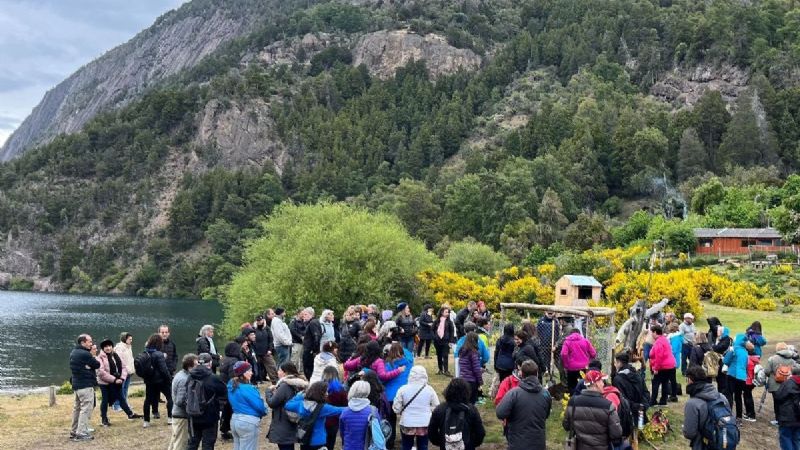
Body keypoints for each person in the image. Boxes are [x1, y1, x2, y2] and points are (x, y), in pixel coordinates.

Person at [496, 360, 551, 450]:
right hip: (538, 443)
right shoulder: (546, 394)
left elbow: (500, 413)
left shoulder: (513, 394)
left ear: (521, 374)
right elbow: (546, 414)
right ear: (537, 373)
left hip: (517, 443)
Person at [563, 370, 623, 450]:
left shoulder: (573, 402)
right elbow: (616, 434)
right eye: (601, 381)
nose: (603, 384)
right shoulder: (608, 406)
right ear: (596, 384)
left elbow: (566, 426)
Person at [682, 365, 732, 450]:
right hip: (725, 441)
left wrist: (684, 428)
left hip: (703, 445)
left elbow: (689, 433)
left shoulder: (692, 403)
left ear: (690, 380)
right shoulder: (722, 397)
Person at [285, 381, 346, 450]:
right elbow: (340, 410)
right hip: (318, 441)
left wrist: (301, 395)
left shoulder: (300, 404)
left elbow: (288, 405)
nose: (327, 394)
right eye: (325, 392)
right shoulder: (323, 408)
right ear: (320, 393)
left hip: (305, 439)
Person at [428, 378, 486, 450]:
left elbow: (431, 432)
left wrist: (441, 442)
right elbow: (480, 432)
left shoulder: (439, 409)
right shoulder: (471, 410)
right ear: (466, 392)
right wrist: (471, 444)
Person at [187, 353, 228, 450]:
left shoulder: (190, 376)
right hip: (210, 416)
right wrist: (220, 409)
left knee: (192, 443)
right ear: (210, 363)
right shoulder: (214, 378)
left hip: (193, 415)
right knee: (208, 444)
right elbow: (224, 394)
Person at [96, 338, 140, 426]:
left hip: (117, 382)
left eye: (109, 346)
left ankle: (130, 414)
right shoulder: (99, 358)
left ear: (112, 347)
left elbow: (123, 367)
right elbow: (101, 373)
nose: (108, 348)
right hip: (105, 383)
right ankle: (104, 419)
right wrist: (114, 380)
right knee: (105, 400)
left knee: (121, 398)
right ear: (102, 348)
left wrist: (122, 378)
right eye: (106, 347)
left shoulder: (115, 355)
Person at [393, 366, 439, 450]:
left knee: (406, 446)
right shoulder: (429, 390)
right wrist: (428, 411)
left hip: (407, 422)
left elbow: (396, 408)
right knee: (423, 446)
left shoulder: (402, 389)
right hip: (424, 423)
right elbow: (436, 406)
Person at [266, 362, 309, 450]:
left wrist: (268, 392)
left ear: (285, 372)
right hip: (296, 420)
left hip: (284, 423)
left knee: (285, 447)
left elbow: (272, 403)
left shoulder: (284, 386)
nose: (278, 372)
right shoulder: (300, 384)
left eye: (280, 370)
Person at [228, 361, 268, 450]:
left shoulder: (231, 385)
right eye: (249, 371)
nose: (252, 373)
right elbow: (259, 406)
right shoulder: (248, 388)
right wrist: (265, 411)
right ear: (243, 373)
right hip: (247, 422)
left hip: (235, 420)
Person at [385, 342, 414, 449]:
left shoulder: (388, 365)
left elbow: (383, 378)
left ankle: (390, 442)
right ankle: (406, 440)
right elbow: (409, 354)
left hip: (390, 396)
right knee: (405, 419)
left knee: (390, 420)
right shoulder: (409, 363)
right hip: (405, 396)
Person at [69, 334, 99, 441]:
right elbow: (97, 364)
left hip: (77, 385)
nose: (91, 344)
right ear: (83, 342)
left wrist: (88, 366)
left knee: (77, 409)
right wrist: (90, 363)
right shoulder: (85, 354)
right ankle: (81, 433)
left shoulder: (73, 352)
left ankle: (74, 430)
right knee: (86, 408)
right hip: (85, 385)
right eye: (89, 342)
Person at [142, 333, 173, 427]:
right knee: (170, 397)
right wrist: (169, 379)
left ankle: (146, 421)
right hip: (161, 381)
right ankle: (170, 418)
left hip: (149, 381)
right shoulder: (158, 354)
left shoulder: (145, 353)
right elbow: (164, 369)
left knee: (147, 400)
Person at [765, 343, 800, 426]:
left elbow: (767, 371)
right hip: (789, 384)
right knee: (788, 401)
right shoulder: (792, 360)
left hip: (775, 384)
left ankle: (778, 419)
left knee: (776, 402)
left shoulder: (772, 359)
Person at [168, 353, 198, 450]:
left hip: (178, 415)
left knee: (175, 441)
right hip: (181, 416)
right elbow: (180, 401)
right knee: (180, 444)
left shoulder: (181, 374)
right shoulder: (184, 379)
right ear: (190, 367)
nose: (198, 367)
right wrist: (193, 408)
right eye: (196, 365)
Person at [612, 353, 649, 423]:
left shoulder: (617, 379)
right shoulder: (637, 373)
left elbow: (622, 399)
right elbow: (645, 391)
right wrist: (644, 405)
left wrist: (635, 406)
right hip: (641, 410)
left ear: (619, 363)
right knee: (640, 428)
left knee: (632, 429)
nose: (614, 365)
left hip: (628, 413)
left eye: (615, 363)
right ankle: (640, 428)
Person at [723, 333, 753, 422]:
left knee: (729, 395)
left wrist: (729, 352)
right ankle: (739, 417)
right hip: (742, 377)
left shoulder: (733, 349)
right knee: (738, 397)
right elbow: (746, 365)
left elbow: (726, 361)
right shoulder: (745, 352)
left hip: (732, 374)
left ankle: (728, 415)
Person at [340, 380, 375, 450]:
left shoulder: (345, 412)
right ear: (368, 392)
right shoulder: (373, 411)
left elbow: (342, 432)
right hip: (367, 447)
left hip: (349, 447)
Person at [219, 341, 243, 440]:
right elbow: (233, 377)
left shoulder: (224, 359)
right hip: (230, 389)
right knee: (232, 410)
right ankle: (230, 430)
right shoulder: (233, 361)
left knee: (226, 410)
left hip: (223, 387)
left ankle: (224, 430)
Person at [773, 366, 800, 450]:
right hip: (798, 417)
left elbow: (778, 396)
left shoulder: (788, 383)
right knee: (796, 438)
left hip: (787, 417)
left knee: (786, 438)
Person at [457, 332, 483, 404]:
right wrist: (480, 381)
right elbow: (476, 369)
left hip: (462, 380)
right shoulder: (474, 352)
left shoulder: (462, 351)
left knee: (464, 402)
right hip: (471, 382)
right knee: (471, 403)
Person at [113, 332, 135, 412]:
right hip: (122, 372)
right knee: (120, 389)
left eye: (131, 339)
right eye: (129, 339)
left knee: (125, 388)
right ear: (124, 339)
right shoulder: (119, 348)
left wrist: (132, 369)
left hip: (129, 372)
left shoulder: (129, 347)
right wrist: (125, 370)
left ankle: (124, 404)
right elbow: (119, 361)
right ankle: (116, 405)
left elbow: (130, 359)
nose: (131, 341)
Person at [253, 314, 279, 385]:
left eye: (260, 320)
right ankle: (257, 382)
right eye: (257, 320)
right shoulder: (253, 329)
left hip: (266, 352)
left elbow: (271, 339)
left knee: (272, 366)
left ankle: (275, 381)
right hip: (256, 352)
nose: (259, 322)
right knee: (255, 368)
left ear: (263, 320)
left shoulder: (267, 328)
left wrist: (270, 349)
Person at [432, 306, 455, 376]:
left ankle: (446, 370)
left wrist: (451, 341)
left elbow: (452, 331)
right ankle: (440, 369)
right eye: (446, 312)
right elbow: (432, 329)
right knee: (439, 355)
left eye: (448, 312)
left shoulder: (449, 322)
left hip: (446, 341)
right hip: (437, 341)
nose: (447, 313)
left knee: (445, 355)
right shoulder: (437, 321)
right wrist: (434, 337)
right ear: (442, 312)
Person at [712, 324, 733, 395]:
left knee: (722, 381)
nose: (717, 332)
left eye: (719, 331)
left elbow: (719, 348)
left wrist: (714, 346)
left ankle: (723, 395)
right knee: (719, 380)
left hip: (723, 362)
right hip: (719, 362)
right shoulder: (721, 339)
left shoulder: (726, 339)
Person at [303, 308, 323, 380]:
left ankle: (312, 383)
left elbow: (317, 337)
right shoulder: (313, 322)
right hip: (310, 349)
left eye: (305, 314)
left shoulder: (313, 323)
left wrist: (313, 350)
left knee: (308, 368)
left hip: (310, 350)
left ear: (311, 315)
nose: (303, 316)